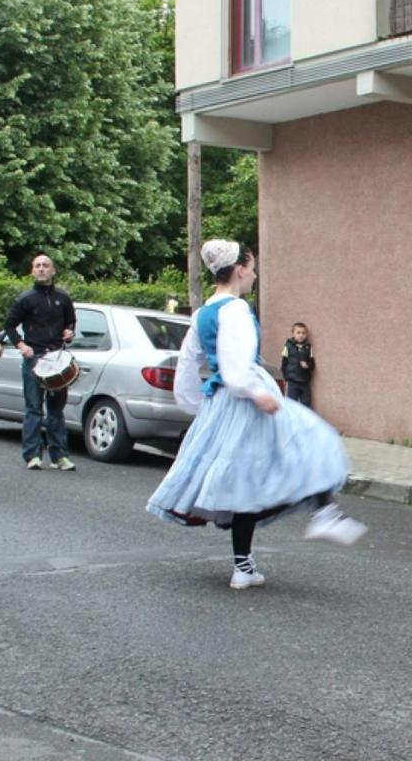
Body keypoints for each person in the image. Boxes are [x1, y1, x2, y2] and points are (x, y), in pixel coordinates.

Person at [146, 240, 366, 589]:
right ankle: (325, 512)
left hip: (222, 402)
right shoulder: (235, 310)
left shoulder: (202, 313)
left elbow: (188, 364)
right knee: (312, 438)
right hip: (246, 395)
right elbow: (236, 365)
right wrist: (255, 393)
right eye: (253, 267)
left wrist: (196, 406)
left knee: (243, 481)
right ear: (240, 270)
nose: (255, 274)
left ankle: (244, 567)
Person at [4, 255, 77, 471]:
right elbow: (9, 326)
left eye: (46, 266)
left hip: (56, 358)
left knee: (56, 411)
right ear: (32, 271)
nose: (42, 269)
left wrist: (69, 332)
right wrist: (21, 345)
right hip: (33, 358)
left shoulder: (63, 298)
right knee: (33, 409)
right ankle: (32, 455)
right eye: (38, 266)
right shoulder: (25, 299)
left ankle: (59, 456)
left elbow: (71, 322)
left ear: (53, 271)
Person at [281, 322, 314, 407]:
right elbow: (284, 362)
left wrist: (308, 365)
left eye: (303, 333)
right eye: (298, 333)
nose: (301, 335)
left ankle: (304, 419)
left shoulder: (308, 347)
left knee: (306, 403)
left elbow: (312, 362)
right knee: (291, 403)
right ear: (293, 334)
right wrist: (284, 377)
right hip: (292, 381)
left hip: (305, 381)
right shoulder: (288, 346)